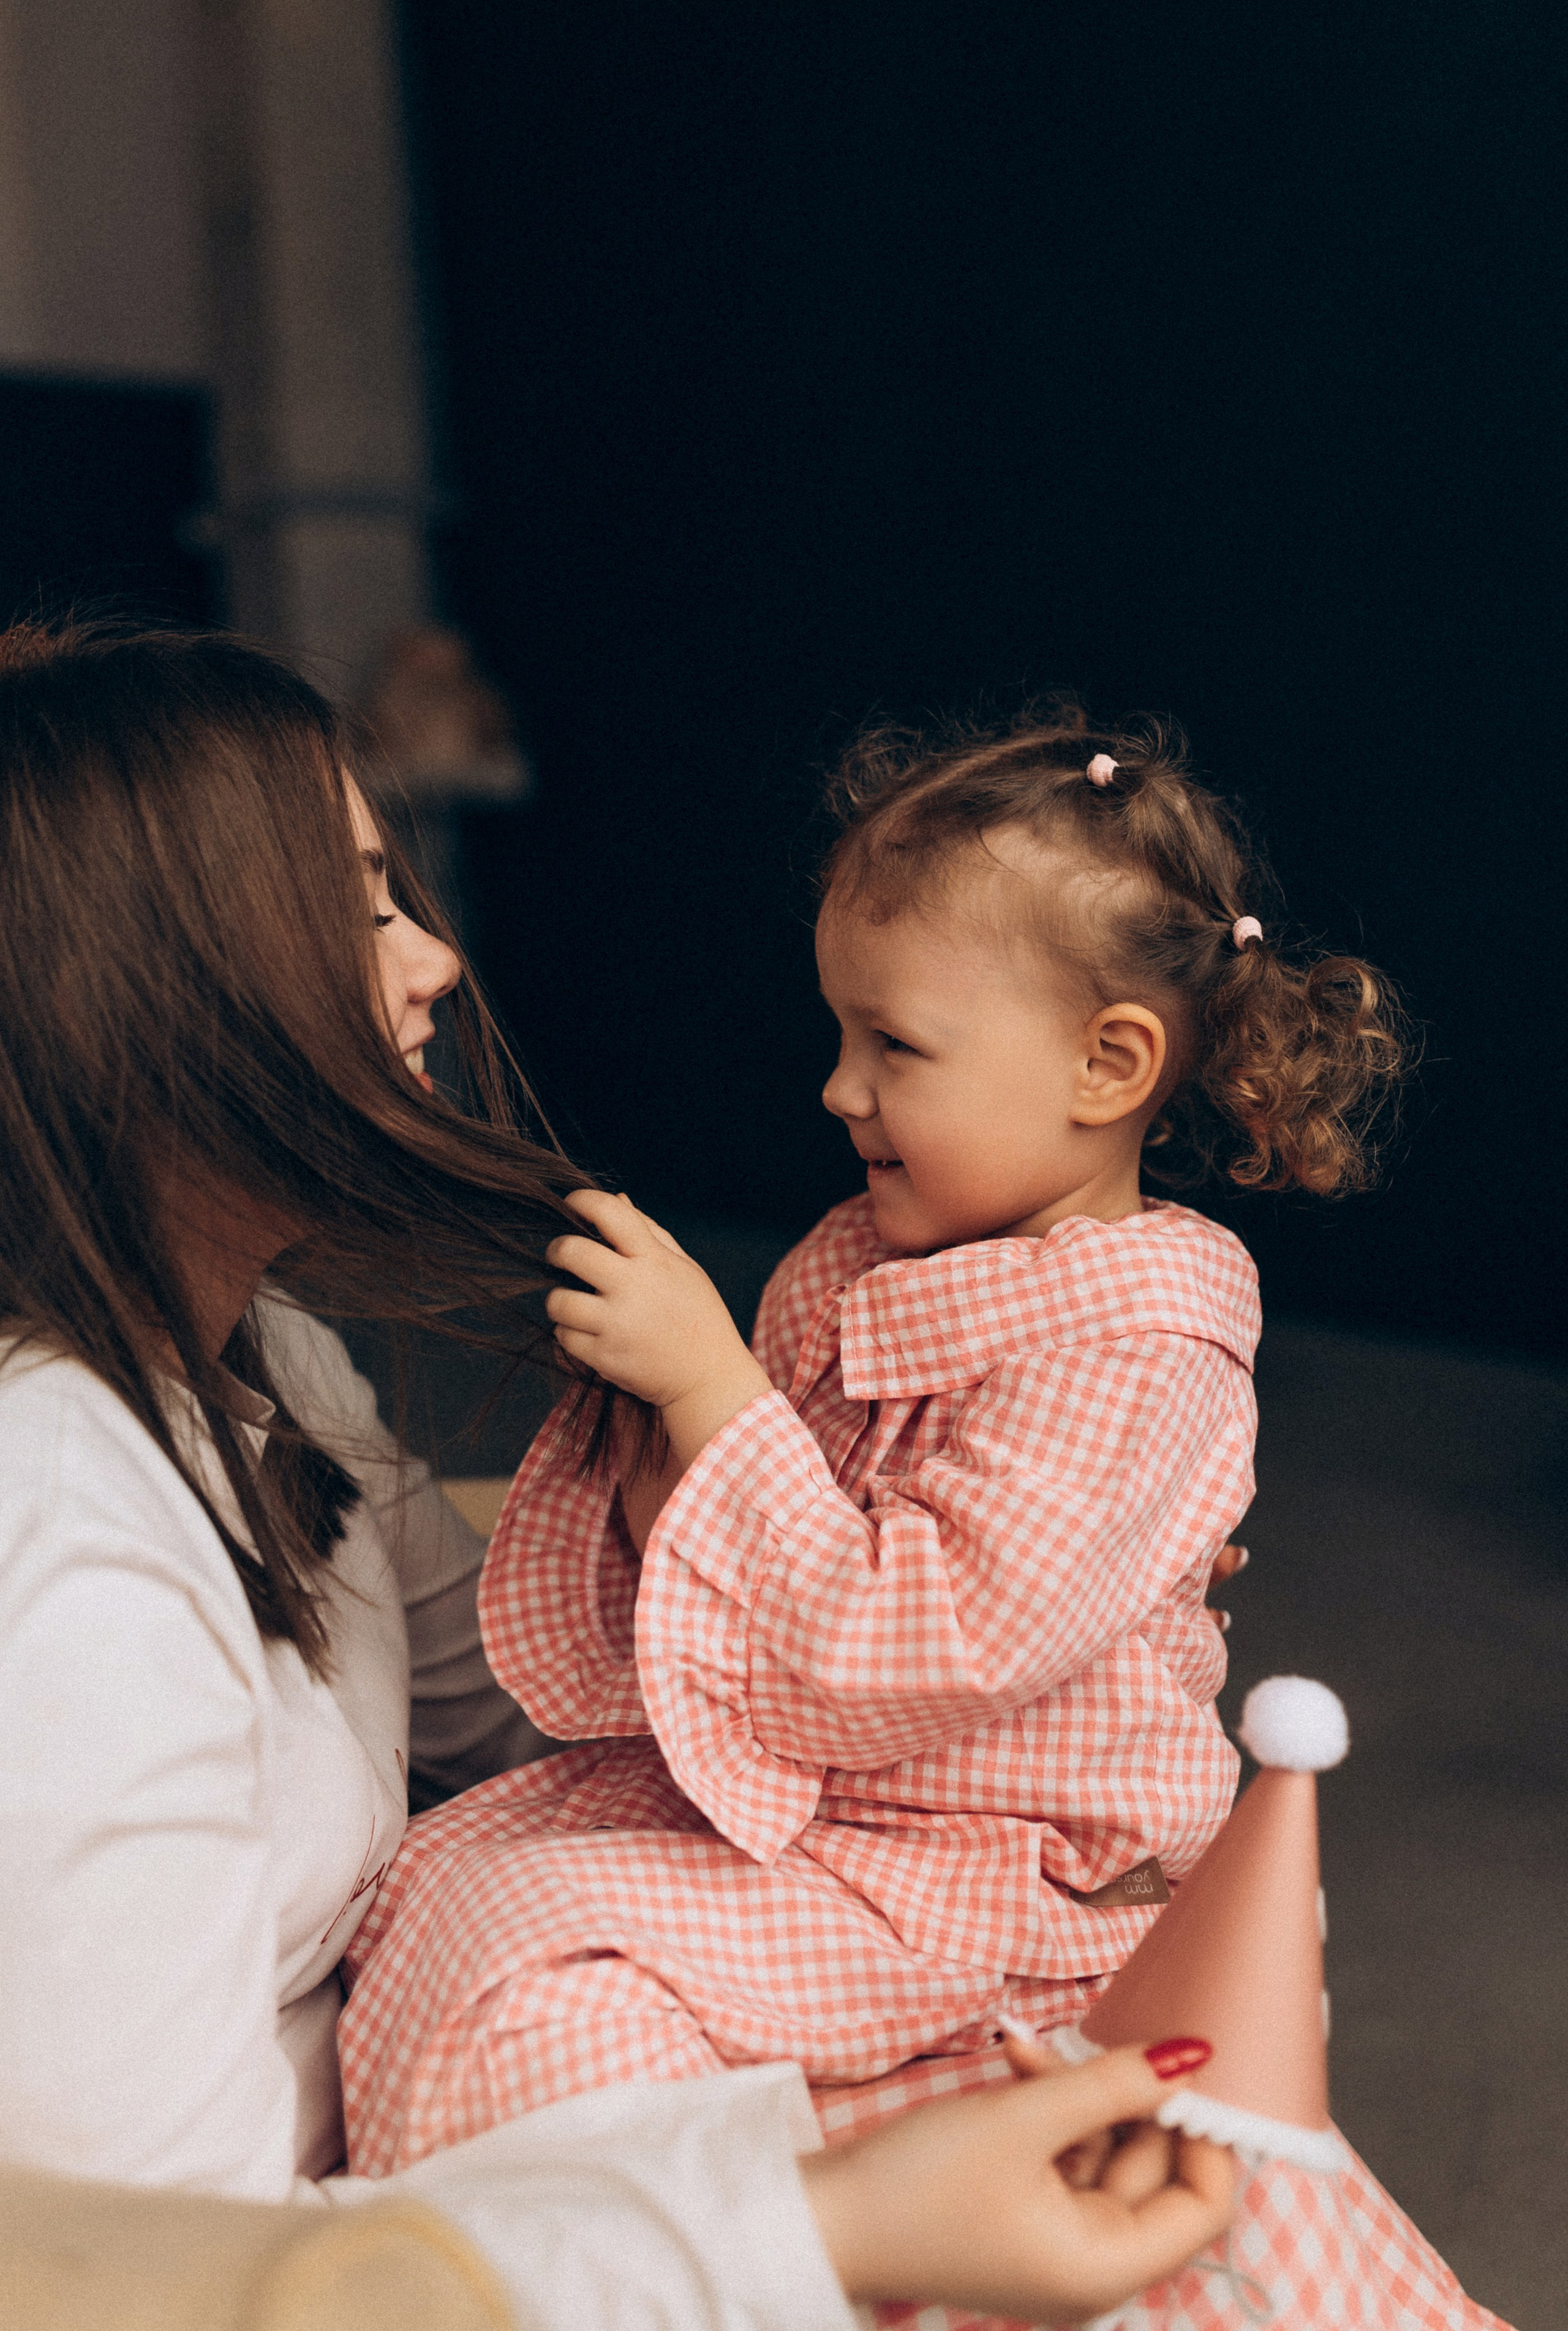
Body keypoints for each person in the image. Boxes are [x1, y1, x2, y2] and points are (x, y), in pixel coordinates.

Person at [0, 622, 1238, 2330]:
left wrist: (1030, 1607)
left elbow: (492, 1693)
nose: (434, 959)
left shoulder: (267, 1353)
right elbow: (138, 2276)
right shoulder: (58, 1557)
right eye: (362, 903)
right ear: (158, 993)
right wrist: (833, 2230)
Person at [340, 700, 1408, 2181]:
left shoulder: (1137, 1355)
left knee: (530, 1990)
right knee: (439, 1883)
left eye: (892, 1045)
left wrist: (710, 1397)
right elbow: (715, 1546)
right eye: (840, 1033)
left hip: (995, 1861)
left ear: (1106, 1067)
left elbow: (911, 1643)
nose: (838, 1089)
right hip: (836, 1799)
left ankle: (676, 2226)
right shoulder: (857, 1255)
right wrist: (653, 1410)